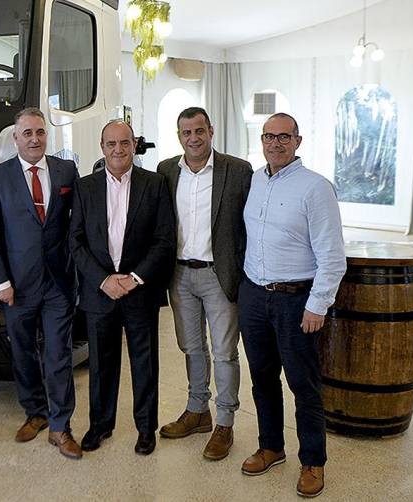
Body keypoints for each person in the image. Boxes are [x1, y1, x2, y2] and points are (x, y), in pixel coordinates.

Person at [239, 113, 346, 498]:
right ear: (262, 140)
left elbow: (333, 256)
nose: (275, 143)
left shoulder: (316, 188)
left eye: (284, 137)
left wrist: (317, 305)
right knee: (262, 377)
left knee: (303, 384)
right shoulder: (253, 180)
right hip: (253, 295)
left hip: (296, 300)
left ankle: (313, 461)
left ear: (298, 141)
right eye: (269, 136)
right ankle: (271, 446)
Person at [0, 108, 82, 459]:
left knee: (58, 353)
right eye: (27, 134)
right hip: (16, 285)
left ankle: (60, 426)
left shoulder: (66, 170)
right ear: (16, 138)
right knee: (22, 353)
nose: (35, 139)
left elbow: (76, 226)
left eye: (40, 132)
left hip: (58, 282)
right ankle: (34, 412)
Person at [69, 120, 176, 456]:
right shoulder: (85, 187)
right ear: (102, 147)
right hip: (99, 291)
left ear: (134, 145)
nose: (118, 149)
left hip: (139, 290)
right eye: (111, 143)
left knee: (144, 363)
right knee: (101, 363)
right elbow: (76, 241)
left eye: (125, 143)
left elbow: (164, 239)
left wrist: (134, 278)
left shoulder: (155, 184)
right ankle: (100, 425)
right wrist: (103, 279)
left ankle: (146, 429)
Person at [156, 107, 253, 460]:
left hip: (219, 273)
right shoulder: (166, 170)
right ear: (179, 136)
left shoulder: (238, 170)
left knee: (224, 352)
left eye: (199, 131)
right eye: (186, 133)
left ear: (210, 131)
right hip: (180, 275)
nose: (193, 138)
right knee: (190, 347)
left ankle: (224, 422)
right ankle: (198, 410)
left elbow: (250, 224)